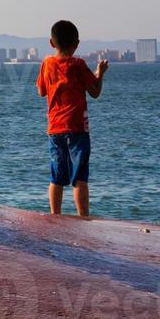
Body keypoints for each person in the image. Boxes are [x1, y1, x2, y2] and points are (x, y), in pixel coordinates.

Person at [35, 20, 107, 217]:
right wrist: (100, 74)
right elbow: (95, 92)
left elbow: (41, 91)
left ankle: (54, 216)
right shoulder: (78, 64)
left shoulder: (47, 63)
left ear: (51, 42)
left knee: (56, 177)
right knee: (80, 178)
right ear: (77, 43)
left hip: (55, 128)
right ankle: (83, 218)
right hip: (77, 129)